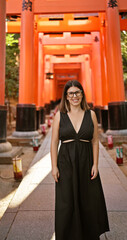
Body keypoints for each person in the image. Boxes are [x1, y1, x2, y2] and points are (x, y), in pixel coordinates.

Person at [50, 80, 110, 240]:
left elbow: (95, 141)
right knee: (66, 201)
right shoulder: (59, 115)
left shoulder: (91, 114)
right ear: (66, 96)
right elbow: (54, 142)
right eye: (71, 93)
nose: (74, 96)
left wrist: (96, 164)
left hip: (86, 161)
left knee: (88, 200)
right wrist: (54, 166)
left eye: (77, 92)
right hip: (66, 162)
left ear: (82, 94)